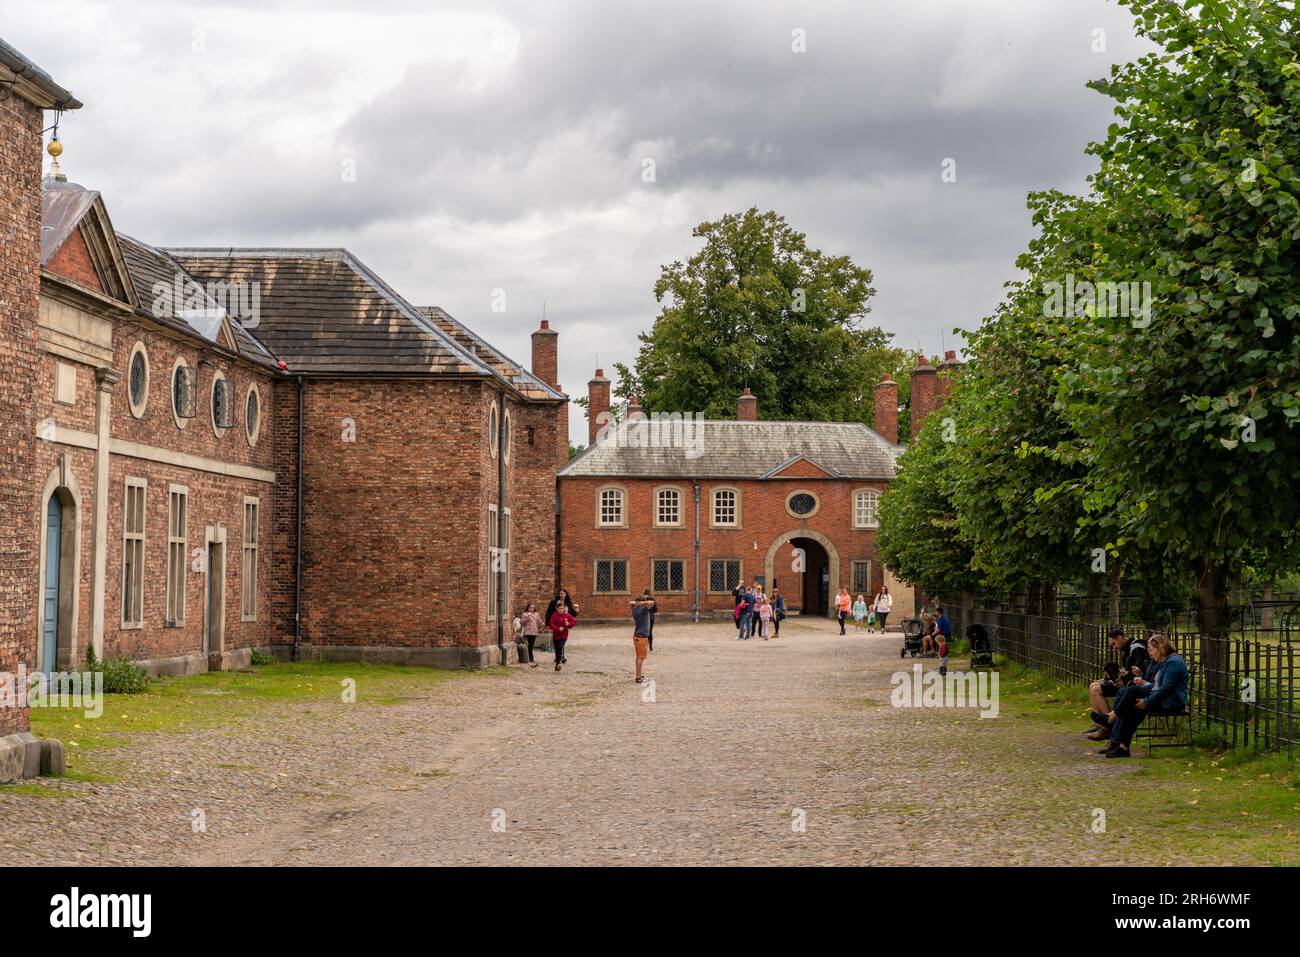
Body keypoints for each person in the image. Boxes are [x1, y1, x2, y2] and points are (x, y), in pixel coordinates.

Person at [1100, 633, 1188, 758]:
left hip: (1171, 702)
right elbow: (1156, 686)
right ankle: (1121, 746)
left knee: (1132, 692)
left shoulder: (1173, 662)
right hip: (1160, 698)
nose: (1150, 654)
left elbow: (1165, 689)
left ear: (1160, 648)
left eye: (1151, 650)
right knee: (1126, 694)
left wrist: (1147, 701)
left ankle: (1112, 719)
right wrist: (1142, 679)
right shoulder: (1165, 661)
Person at [1084, 629, 1149, 739]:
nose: (1114, 648)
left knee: (1096, 690)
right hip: (1126, 681)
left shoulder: (1136, 648)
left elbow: (1141, 671)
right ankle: (1100, 725)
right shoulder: (1129, 649)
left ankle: (1109, 726)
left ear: (1120, 638)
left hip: (1132, 685)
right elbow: (1128, 670)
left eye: (1113, 644)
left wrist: (1123, 676)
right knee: (1093, 685)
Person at [630, 591, 656, 683]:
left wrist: (638, 602)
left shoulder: (634, 608)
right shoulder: (643, 609)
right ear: (641, 602)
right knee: (641, 658)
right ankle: (638, 677)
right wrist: (644, 603)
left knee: (638, 657)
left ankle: (639, 674)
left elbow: (631, 603)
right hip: (641, 637)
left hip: (637, 635)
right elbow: (652, 603)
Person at [548, 602, 576, 672]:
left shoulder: (567, 615)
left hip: (564, 635)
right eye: (560, 608)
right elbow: (551, 624)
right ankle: (557, 663)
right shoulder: (554, 616)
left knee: (561, 646)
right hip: (556, 636)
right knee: (557, 649)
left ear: (564, 609)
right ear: (557, 608)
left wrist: (569, 624)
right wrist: (557, 628)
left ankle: (559, 662)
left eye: (562, 609)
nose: (561, 610)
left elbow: (574, 621)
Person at [519, 603, 544, 669]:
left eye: (533, 607)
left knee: (531, 645)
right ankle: (530, 658)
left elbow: (539, 621)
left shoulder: (536, 614)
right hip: (527, 631)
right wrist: (527, 618)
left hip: (534, 632)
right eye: (530, 607)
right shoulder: (525, 614)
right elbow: (522, 622)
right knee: (529, 644)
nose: (531, 609)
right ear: (528, 608)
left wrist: (542, 623)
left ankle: (529, 657)